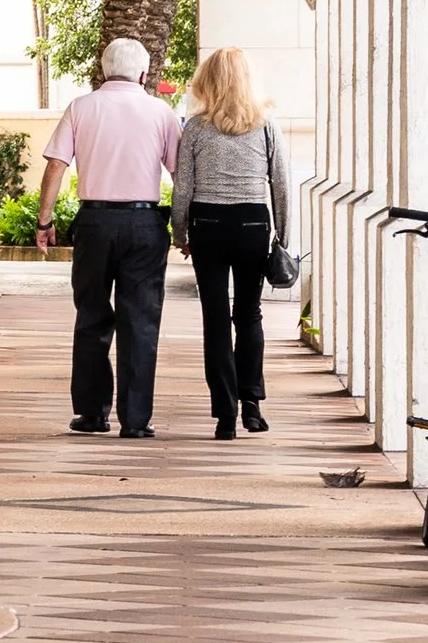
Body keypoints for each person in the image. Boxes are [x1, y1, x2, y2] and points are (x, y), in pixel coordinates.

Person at [34, 37, 183, 438]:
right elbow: (180, 174)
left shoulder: (81, 107)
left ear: (103, 70)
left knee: (91, 317)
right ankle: (135, 421)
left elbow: (55, 167)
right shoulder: (160, 111)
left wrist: (44, 221)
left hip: (94, 223)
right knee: (141, 322)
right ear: (143, 73)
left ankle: (91, 413)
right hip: (144, 224)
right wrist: (185, 226)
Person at [172, 46, 291, 441]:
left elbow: (183, 187)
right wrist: (282, 237)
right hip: (253, 225)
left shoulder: (196, 127)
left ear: (207, 81)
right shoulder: (266, 125)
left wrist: (180, 233)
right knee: (249, 314)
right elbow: (281, 185)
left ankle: (225, 415)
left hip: (208, 224)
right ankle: (252, 406)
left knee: (216, 319)